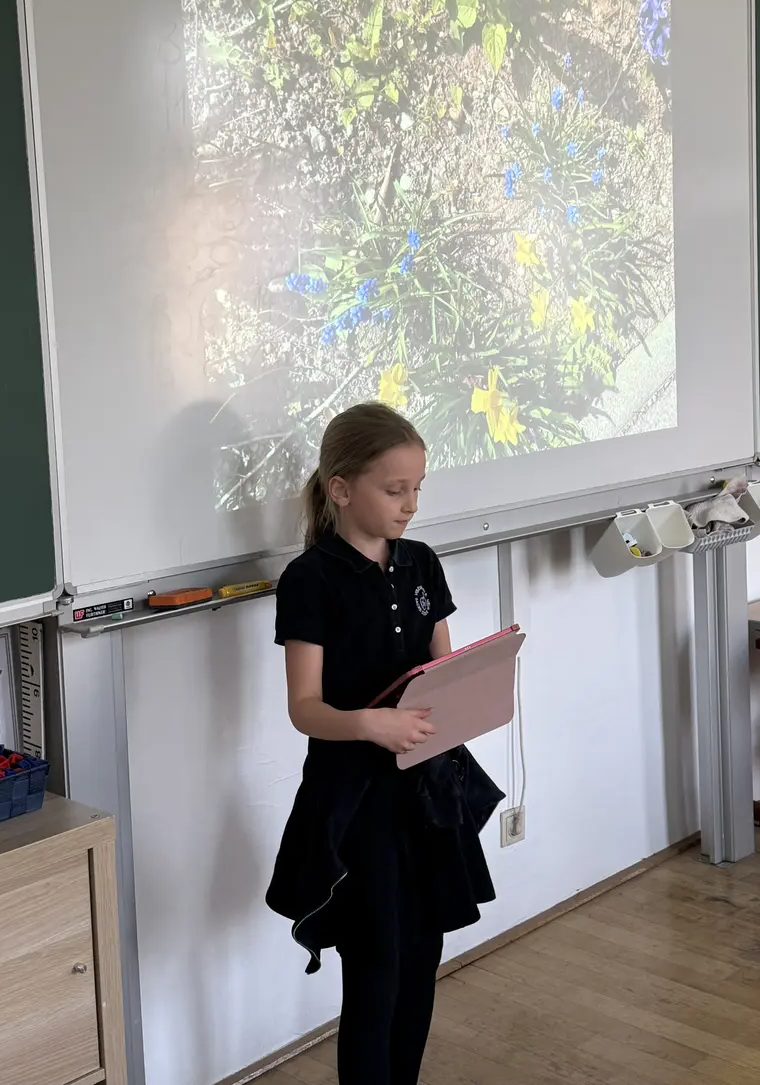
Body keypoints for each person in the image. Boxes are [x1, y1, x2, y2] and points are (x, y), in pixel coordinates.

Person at [266, 403, 504, 1085]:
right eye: (395, 489)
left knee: (422, 960)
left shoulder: (421, 562)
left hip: (427, 793)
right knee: (376, 971)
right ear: (341, 489)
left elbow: (442, 670)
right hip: (358, 802)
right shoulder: (310, 579)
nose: (411, 504)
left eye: (417, 488)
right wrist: (371, 724)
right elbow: (305, 709)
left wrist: (477, 690)